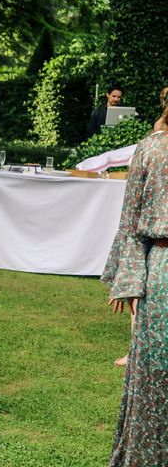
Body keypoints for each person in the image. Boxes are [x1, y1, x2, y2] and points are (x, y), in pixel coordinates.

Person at [101, 129, 168, 466]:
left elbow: (130, 217)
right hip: (162, 268)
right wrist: (127, 278)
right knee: (157, 373)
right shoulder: (153, 148)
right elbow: (131, 217)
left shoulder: (151, 147)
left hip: (161, 266)